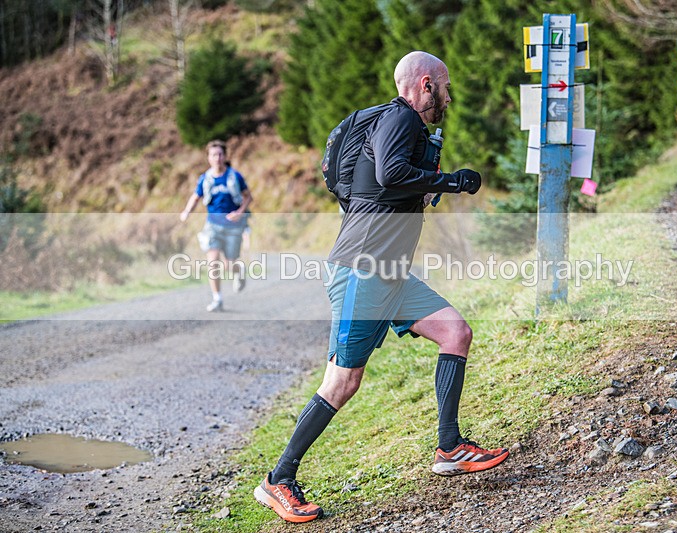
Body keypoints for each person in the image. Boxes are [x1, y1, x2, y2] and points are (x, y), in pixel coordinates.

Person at [252, 51, 508, 523]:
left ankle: (449, 448)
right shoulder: (402, 119)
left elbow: (389, 182)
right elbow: (392, 174)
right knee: (342, 381)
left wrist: (430, 186)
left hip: (390, 273)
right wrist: (451, 182)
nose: (448, 96)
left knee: (456, 332)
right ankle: (277, 480)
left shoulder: (404, 131)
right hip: (362, 270)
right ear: (426, 85)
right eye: (445, 87)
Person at [180, 140, 252, 312]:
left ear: (225, 156)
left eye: (220, 154)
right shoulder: (205, 179)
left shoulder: (235, 176)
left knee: (229, 264)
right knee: (213, 262)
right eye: (213, 155)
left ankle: (238, 270)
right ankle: (217, 298)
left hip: (233, 227)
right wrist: (186, 211)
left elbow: (248, 196)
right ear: (208, 158)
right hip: (212, 226)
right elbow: (196, 197)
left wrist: (240, 212)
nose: (217, 158)